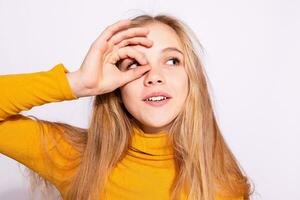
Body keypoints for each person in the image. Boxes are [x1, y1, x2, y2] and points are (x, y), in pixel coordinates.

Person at [0, 14, 253, 200]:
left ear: (192, 80)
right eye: (134, 64)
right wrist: (79, 83)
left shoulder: (227, 185)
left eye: (172, 61)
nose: (154, 76)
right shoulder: (76, 158)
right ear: (117, 88)